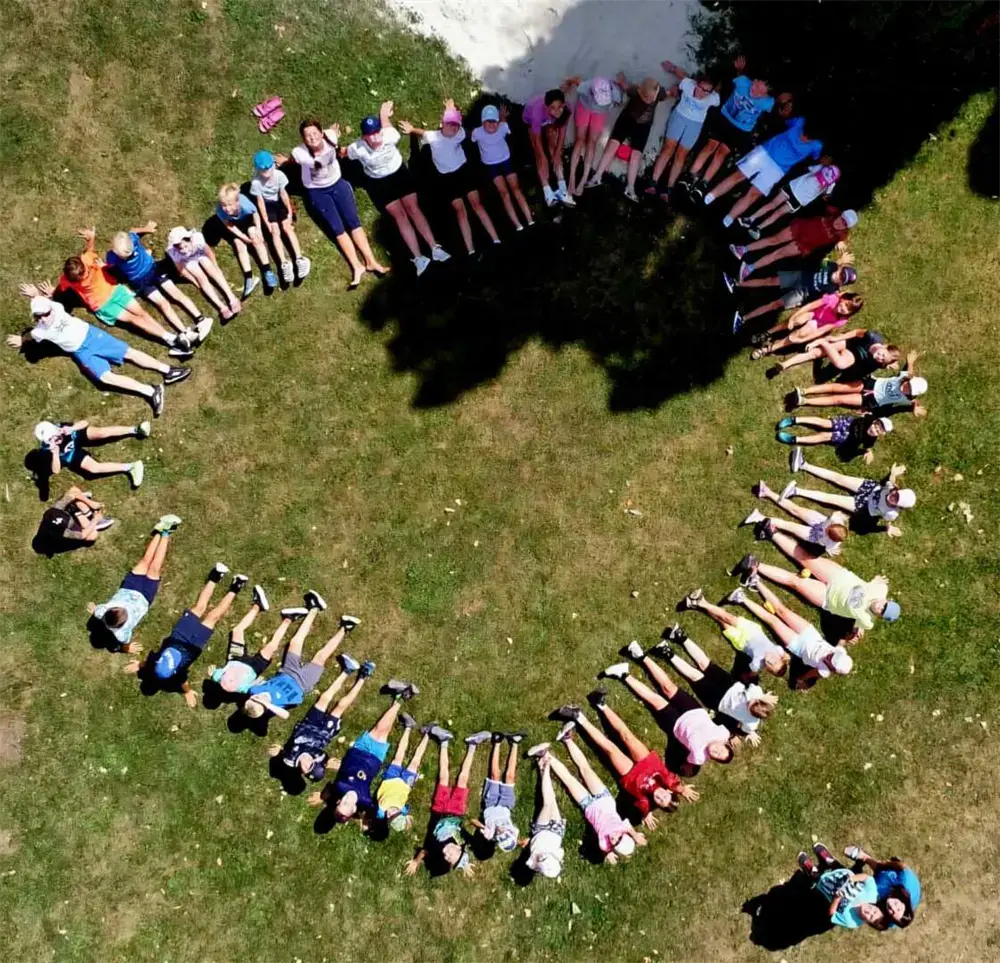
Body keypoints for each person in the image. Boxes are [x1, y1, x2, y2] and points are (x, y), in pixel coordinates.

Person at [552, 693, 698, 827]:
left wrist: (645, 814)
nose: (660, 796)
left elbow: (643, 809)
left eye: (660, 801)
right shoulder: (667, 782)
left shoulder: (646, 803)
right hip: (649, 764)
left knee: (609, 748)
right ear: (669, 792)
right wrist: (682, 789)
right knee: (627, 736)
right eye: (664, 796)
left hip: (631, 775)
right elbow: (673, 783)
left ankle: (578, 716)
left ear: (657, 804)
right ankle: (601, 704)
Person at [346, 102, 450, 276]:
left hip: (399, 174)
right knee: (400, 216)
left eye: (377, 132)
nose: (375, 138)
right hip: (379, 183)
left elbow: (387, 126)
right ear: (363, 137)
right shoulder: (356, 149)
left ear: (381, 131)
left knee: (413, 209)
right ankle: (418, 258)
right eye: (369, 135)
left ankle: (435, 248)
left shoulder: (390, 135)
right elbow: (344, 153)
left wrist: (383, 114)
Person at [733, 535, 900, 641]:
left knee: (795, 581)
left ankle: (754, 565)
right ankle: (771, 532)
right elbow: (878, 582)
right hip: (838, 576)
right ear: (887, 600)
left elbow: (857, 625)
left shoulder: (867, 621)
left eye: (882, 612)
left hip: (827, 597)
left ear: (879, 617)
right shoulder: (881, 590)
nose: (880, 607)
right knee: (806, 559)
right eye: (885, 605)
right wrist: (876, 580)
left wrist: (856, 631)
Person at [284, 117, 387, 288]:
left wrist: (333, 133)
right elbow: (308, 162)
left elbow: (333, 134)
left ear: (321, 132)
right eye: (307, 135)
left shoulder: (330, 136)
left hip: (338, 184)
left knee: (354, 223)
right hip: (317, 191)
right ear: (303, 139)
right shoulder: (300, 152)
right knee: (338, 229)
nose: (312, 137)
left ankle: (371, 262)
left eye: (315, 133)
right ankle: (356, 266)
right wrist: (285, 161)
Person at [125, 564, 247, 707]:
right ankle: (235, 587)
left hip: (181, 635)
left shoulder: (154, 664)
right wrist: (187, 692)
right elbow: (183, 683)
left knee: (200, 608)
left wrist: (139, 666)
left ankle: (215, 576)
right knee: (213, 617)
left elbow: (147, 664)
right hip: (193, 643)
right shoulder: (176, 674)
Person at [51, 227, 186, 353]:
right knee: (133, 319)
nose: (85, 276)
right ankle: (170, 337)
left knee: (142, 313)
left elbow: (89, 250)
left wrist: (91, 238)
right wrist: (52, 293)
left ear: (83, 264)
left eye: (86, 273)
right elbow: (60, 291)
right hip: (103, 305)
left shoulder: (87, 259)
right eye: (81, 278)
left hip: (116, 290)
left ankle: (170, 338)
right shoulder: (66, 280)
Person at [595, 653, 738, 768]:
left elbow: (688, 761)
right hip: (694, 710)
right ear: (724, 744)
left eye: (717, 756)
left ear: (713, 759)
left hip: (676, 724)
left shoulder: (699, 757)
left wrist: (687, 767)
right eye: (721, 750)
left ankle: (623, 674)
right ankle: (641, 655)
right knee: (668, 687)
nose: (716, 751)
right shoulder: (723, 734)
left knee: (654, 699)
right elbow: (729, 726)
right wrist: (734, 736)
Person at [623, 636, 777, 743]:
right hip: (729, 684)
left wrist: (749, 733)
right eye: (751, 701)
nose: (748, 702)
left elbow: (744, 729)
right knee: (705, 663)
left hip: (717, 700)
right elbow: (753, 687)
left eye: (748, 707)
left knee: (694, 675)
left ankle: (667, 653)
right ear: (758, 700)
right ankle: (678, 638)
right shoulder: (756, 693)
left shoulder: (751, 722)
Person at [399, 101, 501, 256]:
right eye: (450, 124)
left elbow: (458, 124)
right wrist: (412, 129)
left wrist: (450, 108)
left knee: (477, 204)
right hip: (447, 179)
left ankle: (495, 239)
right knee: (460, 211)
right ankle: (470, 250)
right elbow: (422, 133)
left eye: (456, 125)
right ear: (442, 124)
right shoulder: (433, 137)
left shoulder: (460, 134)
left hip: (464, 171)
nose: (454, 128)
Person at [312, 683, 421, 827]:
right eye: (348, 805)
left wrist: (322, 797)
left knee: (378, 728)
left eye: (342, 803)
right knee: (385, 732)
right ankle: (399, 698)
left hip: (359, 751)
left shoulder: (340, 787)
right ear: (354, 809)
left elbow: (329, 788)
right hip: (375, 759)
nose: (346, 800)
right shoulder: (365, 801)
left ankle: (401, 698)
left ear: (338, 802)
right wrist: (364, 823)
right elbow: (374, 813)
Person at [540, 726, 647, 864]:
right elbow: (628, 826)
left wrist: (608, 853)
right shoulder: (624, 827)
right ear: (625, 834)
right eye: (620, 838)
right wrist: (635, 835)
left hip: (588, 806)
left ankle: (546, 756)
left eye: (615, 843)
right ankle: (566, 739)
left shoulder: (604, 844)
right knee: (585, 769)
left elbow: (605, 849)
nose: (614, 838)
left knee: (569, 780)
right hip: (604, 798)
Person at [105, 223, 213, 351]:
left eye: (129, 253)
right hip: (140, 282)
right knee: (163, 303)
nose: (127, 256)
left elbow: (133, 230)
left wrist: (147, 229)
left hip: (154, 269)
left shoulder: (132, 239)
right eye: (123, 256)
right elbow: (110, 266)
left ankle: (200, 319)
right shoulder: (112, 256)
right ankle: (185, 332)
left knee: (176, 293)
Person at [242, 606, 360, 720]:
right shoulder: (274, 708)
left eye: (257, 697)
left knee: (295, 642)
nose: (262, 697)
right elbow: (285, 715)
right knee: (321, 657)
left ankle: (314, 608)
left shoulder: (254, 691)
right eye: (263, 703)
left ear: (253, 697)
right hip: (303, 683)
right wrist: (268, 705)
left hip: (287, 671)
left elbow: (248, 684)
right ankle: (345, 628)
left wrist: (257, 694)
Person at [725, 583, 853, 687]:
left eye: (831, 660)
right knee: (782, 610)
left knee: (773, 620)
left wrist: (800, 681)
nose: (830, 656)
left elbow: (807, 676)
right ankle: (756, 581)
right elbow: (841, 642)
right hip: (810, 634)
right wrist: (850, 635)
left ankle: (741, 598)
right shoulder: (840, 651)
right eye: (833, 655)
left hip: (798, 646)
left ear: (833, 669)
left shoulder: (824, 671)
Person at [269, 658, 376, 782]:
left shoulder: (289, 759)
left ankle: (347, 670)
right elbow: (330, 762)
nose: (308, 763)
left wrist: (278, 752)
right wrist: (333, 764)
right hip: (325, 733)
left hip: (308, 725)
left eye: (307, 768)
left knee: (324, 698)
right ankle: (363, 676)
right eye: (312, 764)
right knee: (341, 706)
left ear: (302, 773)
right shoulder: (320, 758)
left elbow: (281, 751)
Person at [704, 116, 824, 227]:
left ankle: (730, 217)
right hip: (765, 152)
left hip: (779, 169)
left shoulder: (817, 145)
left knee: (754, 194)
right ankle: (711, 195)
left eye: (809, 138)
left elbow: (815, 158)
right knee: (739, 176)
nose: (804, 138)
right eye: (804, 133)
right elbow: (783, 122)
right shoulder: (799, 122)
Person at [683, 57, 775, 198]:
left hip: (741, 130)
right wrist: (739, 71)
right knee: (710, 146)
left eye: (759, 90)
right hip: (724, 117)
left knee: (722, 153)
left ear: (766, 92)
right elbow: (732, 79)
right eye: (755, 84)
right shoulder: (743, 81)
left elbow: (776, 113)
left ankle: (703, 184)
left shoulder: (768, 103)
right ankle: (689, 176)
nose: (754, 89)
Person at [404, 729, 491, 876]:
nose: (447, 856)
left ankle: (443, 742)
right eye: (451, 856)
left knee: (444, 777)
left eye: (447, 858)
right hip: (457, 809)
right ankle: (472, 745)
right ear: (460, 849)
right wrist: (464, 863)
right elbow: (472, 826)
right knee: (463, 779)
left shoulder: (435, 847)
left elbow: (424, 851)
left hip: (439, 808)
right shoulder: (463, 841)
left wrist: (416, 861)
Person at [88, 514, 181, 650]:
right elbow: (121, 642)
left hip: (131, 588)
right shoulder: (117, 630)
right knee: (154, 566)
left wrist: (94, 610)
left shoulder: (106, 617)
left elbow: (97, 611)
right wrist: (126, 648)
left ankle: (161, 531)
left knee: (148, 562)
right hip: (143, 596)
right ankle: (164, 532)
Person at [787, 447, 916, 537]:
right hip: (870, 488)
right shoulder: (891, 488)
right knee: (838, 478)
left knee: (831, 498)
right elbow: (889, 482)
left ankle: (796, 491)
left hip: (864, 506)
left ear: (898, 506)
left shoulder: (891, 514)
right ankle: (803, 465)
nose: (893, 496)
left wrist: (886, 528)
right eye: (896, 494)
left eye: (896, 500)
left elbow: (871, 524)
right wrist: (892, 474)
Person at [725, 247, 857, 332]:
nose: (839, 276)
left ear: (842, 283)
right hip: (800, 276)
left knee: (774, 305)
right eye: (842, 272)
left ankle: (743, 319)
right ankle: (737, 284)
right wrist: (838, 260)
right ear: (840, 268)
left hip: (801, 294)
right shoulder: (832, 266)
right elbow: (819, 260)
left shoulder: (833, 291)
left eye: (842, 279)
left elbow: (820, 302)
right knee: (770, 281)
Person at [206, 588, 310, 696]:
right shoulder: (242, 688)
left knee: (239, 631)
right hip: (253, 668)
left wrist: (213, 674)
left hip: (237, 659)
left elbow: (214, 675)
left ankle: (262, 607)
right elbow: (254, 688)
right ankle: (286, 619)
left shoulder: (219, 677)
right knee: (271, 646)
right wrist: (257, 683)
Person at [588, 74, 669, 202]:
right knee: (612, 145)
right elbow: (625, 86)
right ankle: (597, 176)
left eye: (651, 98)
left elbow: (670, 93)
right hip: (627, 118)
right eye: (646, 97)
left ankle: (630, 188)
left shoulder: (660, 93)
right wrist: (621, 80)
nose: (649, 100)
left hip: (644, 125)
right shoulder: (634, 91)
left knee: (636, 155)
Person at [646, 61, 719, 203]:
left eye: (706, 91)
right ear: (697, 83)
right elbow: (682, 75)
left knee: (681, 155)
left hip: (695, 125)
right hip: (679, 117)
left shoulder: (713, 98)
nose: (702, 92)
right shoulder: (688, 84)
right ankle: (653, 183)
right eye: (701, 88)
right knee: (668, 149)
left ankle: (668, 189)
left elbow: (719, 96)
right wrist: (672, 68)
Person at [680, 588, 790, 678]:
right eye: (775, 662)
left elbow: (752, 673)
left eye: (771, 666)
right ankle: (700, 602)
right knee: (728, 617)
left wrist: (746, 677)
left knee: (721, 621)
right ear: (779, 658)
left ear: (767, 670)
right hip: (753, 631)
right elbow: (787, 656)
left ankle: (699, 602)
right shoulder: (778, 651)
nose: (771, 662)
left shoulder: (757, 665)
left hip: (741, 642)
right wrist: (787, 658)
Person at [730, 207, 859, 280]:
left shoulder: (840, 236)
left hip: (805, 244)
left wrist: (840, 246)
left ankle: (750, 268)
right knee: (773, 240)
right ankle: (743, 249)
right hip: (800, 228)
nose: (840, 223)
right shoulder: (831, 211)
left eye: (844, 224)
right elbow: (821, 201)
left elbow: (836, 245)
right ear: (840, 215)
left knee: (778, 254)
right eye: (842, 219)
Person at [248, 150, 311, 284]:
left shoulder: (279, 175)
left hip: (280, 202)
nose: (267, 173)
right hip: (268, 205)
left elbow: (283, 194)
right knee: (275, 231)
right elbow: (260, 202)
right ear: (258, 169)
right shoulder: (256, 182)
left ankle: (300, 259)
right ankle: (284, 263)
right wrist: (266, 221)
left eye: (269, 169)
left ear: (274, 165)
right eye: (263, 171)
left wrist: (289, 212)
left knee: (287, 227)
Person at [471, 104, 535, 231]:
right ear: (482, 122)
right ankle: (517, 224)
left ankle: (530, 219)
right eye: (488, 121)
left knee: (516, 189)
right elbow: (471, 139)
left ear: (498, 121)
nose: (492, 124)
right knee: (504, 193)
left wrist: (502, 117)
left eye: (494, 121)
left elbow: (504, 125)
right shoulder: (477, 132)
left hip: (506, 160)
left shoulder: (503, 127)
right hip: (491, 165)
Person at [34, 418, 148, 489]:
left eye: (55, 437)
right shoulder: (48, 449)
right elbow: (56, 471)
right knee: (94, 468)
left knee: (100, 432)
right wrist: (55, 454)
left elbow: (85, 423)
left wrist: (72, 428)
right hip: (69, 453)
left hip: (74, 437)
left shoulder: (61, 427)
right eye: (51, 440)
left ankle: (136, 429)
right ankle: (131, 467)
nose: (56, 441)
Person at [797, 844, 889, 930]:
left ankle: (812, 871)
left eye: (871, 917)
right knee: (835, 866)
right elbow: (867, 878)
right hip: (842, 874)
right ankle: (828, 860)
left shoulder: (852, 922)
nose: (870, 912)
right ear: (877, 907)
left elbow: (832, 915)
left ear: (868, 922)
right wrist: (852, 878)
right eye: (875, 911)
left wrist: (836, 899)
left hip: (828, 888)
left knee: (819, 879)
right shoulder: (872, 895)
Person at [743, 483, 850, 556]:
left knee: (788, 526)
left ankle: (759, 517)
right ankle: (766, 492)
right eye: (829, 527)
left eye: (827, 531)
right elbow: (836, 514)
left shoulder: (832, 544)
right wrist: (838, 515)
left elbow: (828, 548)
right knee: (796, 510)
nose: (827, 528)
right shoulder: (835, 520)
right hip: (820, 521)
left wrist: (830, 550)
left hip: (813, 535)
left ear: (830, 537)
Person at [788, 362, 928, 417]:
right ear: (909, 380)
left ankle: (804, 401)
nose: (906, 388)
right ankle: (805, 391)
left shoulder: (908, 398)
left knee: (838, 399)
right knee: (838, 387)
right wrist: (910, 362)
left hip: (872, 400)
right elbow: (909, 371)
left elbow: (913, 402)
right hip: (871, 384)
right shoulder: (904, 377)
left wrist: (913, 408)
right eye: (909, 385)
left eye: (910, 390)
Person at [750, 292, 865, 358]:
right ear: (843, 299)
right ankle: (768, 333)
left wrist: (803, 339)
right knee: (798, 320)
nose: (844, 309)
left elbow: (821, 331)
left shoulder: (841, 320)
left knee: (800, 334)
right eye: (846, 304)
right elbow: (810, 306)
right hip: (813, 313)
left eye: (849, 310)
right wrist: (793, 318)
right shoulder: (832, 299)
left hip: (818, 324)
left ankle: (769, 348)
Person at [739, 163, 840, 237]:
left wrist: (827, 189)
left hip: (800, 199)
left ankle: (758, 228)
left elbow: (825, 196)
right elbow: (808, 168)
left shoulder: (831, 185)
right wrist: (820, 167)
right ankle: (750, 219)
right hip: (793, 187)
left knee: (778, 213)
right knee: (772, 204)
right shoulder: (820, 167)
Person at [165, 227, 242, 321]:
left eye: (185, 246)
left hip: (200, 254)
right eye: (180, 249)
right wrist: (195, 281)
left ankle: (232, 298)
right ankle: (222, 307)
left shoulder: (197, 239)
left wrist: (216, 266)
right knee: (200, 277)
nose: (184, 250)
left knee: (209, 265)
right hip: (187, 261)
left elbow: (209, 252)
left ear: (190, 239)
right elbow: (181, 270)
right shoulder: (173, 252)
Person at [215, 182, 278, 296]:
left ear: (237, 202)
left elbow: (255, 213)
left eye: (229, 204)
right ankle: (249, 277)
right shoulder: (220, 210)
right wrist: (242, 236)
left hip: (248, 220)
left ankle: (267, 270)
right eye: (223, 205)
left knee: (255, 237)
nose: (226, 208)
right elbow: (228, 225)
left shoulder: (245, 205)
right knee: (239, 245)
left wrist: (259, 229)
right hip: (235, 226)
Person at [566, 75, 624, 196]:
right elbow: (575, 80)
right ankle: (572, 177)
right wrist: (567, 83)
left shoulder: (615, 93)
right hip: (585, 106)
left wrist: (621, 81)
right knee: (580, 139)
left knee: (592, 141)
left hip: (600, 113)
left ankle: (584, 178)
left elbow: (619, 97)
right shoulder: (586, 86)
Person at [764, 329, 899, 381]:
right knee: (816, 353)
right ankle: (785, 364)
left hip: (853, 355)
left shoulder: (879, 363)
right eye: (882, 354)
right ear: (885, 346)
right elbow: (856, 332)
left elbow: (889, 364)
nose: (879, 357)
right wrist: (836, 338)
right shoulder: (873, 337)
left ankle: (823, 342)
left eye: (883, 360)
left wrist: (889, 363)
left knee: (841, 364)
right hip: (849, 343)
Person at [375, 717, 433, 833]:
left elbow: (378, 816)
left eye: (389, 817)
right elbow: (406, 810)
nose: (390, 813)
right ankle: (428, 734)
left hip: (390, 778)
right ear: (401, 813)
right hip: (406, 783)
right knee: (416, 761)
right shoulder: (403, 809)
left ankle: (408, 727)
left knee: (398, 756)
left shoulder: (382, 808)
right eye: (394, 814)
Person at [471, 732, 525, 853]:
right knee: (510, 777)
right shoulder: (514, 833)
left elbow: (472, 820)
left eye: (499, 835)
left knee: (495, 775)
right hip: (506, 804)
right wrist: (522, 843)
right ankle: (515, 743)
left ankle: (497, 742)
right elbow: (519, 842)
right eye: (505, 832)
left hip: (490, 803)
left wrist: (483, 827)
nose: (501, 831)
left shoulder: (490, 835)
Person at [843, 844, 920, 927]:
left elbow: (876, 923)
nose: (893, 907)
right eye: (898, 909)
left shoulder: (889, 921)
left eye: (893, 913)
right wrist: (886, 864)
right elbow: (902, 867)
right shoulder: (906, 880)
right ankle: (865, 857)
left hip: (886, 895)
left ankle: (854, 875)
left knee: (869, 894)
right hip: (894, 879)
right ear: (904, 903)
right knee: (882, 874)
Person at [522, 86, 574, 207]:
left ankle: (562, 189)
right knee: (538, 153)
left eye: (560, 107)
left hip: (550, 119)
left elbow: (562, 133)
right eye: (553, 107)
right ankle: (547, 192)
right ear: (547, 107)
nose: (558, 110)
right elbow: (537, 140)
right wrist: (543, 158)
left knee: (554, 145)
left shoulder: (566, 110)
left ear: (564, 104)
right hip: (531, 120)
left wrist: (557, 154)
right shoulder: (536, 113)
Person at [775, 412, 893, 463]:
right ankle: (795, 420)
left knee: (825, 436)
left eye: (877, 431)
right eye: (875, 426)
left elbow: (868, 447)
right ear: (874, 421)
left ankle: (795, 439)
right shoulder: (869, 418)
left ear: (881, 435)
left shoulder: (871, 440)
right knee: (824, 423)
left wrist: (868, 452)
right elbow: (865, 414)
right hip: (847, 423)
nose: (874, 430)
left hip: (847, 437)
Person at [523, 746, 567, 879]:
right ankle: (542, 763)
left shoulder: (532, 863)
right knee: (551, 798)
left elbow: (530, 858)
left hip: (541, 830)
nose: (541, 856)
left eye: (541, 859)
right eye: (545, 857)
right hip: (556, 830)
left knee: (547, 804)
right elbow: (560, 851)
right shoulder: (557, 856)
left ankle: (546, 764)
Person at [38, 486, 114, 548]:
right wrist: (95, 520)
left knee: (74, 490)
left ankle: (82, 511)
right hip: (72, 526)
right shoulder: (64, 533)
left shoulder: (55, 509)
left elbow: (73, 494)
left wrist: (91, 503)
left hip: (69, 512)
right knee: (93, 535)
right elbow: (83, 535)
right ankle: (93, 522)